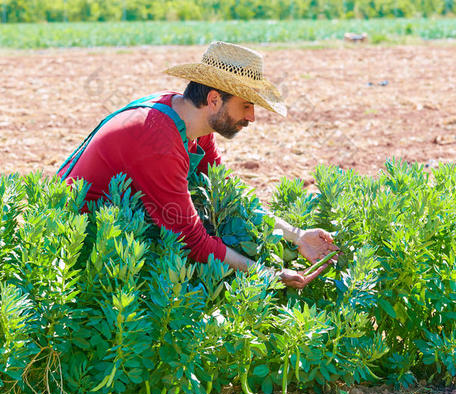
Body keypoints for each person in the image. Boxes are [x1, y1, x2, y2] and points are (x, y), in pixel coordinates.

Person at [59, 41, 338, 289]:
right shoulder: (157, 137)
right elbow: (192, 241)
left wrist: (297, 236)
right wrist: (267, 274)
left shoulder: (192, 122)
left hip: (120, 222)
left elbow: (226, 192)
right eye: (246, 105)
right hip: (78, 243)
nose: (252, 117)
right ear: (214, 99)